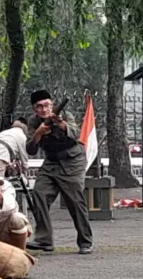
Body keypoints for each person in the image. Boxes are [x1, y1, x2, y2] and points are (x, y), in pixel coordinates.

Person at [25, 90, 93, 254]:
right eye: (39, 106)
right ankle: (44, 239)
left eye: (47, 105)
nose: (44, 109)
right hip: (51, 162)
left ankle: (85, 241)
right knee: (39, 194)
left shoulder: (65, 115)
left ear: (52, 104)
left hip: (72, 161)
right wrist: (38, 133)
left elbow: (77, 134)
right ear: (35, 109)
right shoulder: (33, 122)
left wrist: (61, 124)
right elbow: (30, 149)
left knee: (75, 201)